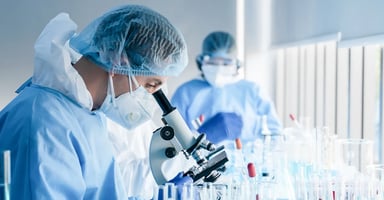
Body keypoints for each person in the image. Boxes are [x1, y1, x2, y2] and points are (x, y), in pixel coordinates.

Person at [0, 5, 192, 199]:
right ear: (119, 62)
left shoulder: (90, 114)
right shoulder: (44, 122)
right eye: (150, 85)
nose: (149, 97)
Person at [171, 31, 282, 145]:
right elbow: (173, 142)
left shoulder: (253, 91)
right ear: (201, 61)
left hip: (248, 161)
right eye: (212, 63)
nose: (219, 68)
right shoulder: (185, 93)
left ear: (236, 64)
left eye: (226, 63)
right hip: (199, 161)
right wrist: (202, 137)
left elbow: (276, 135)